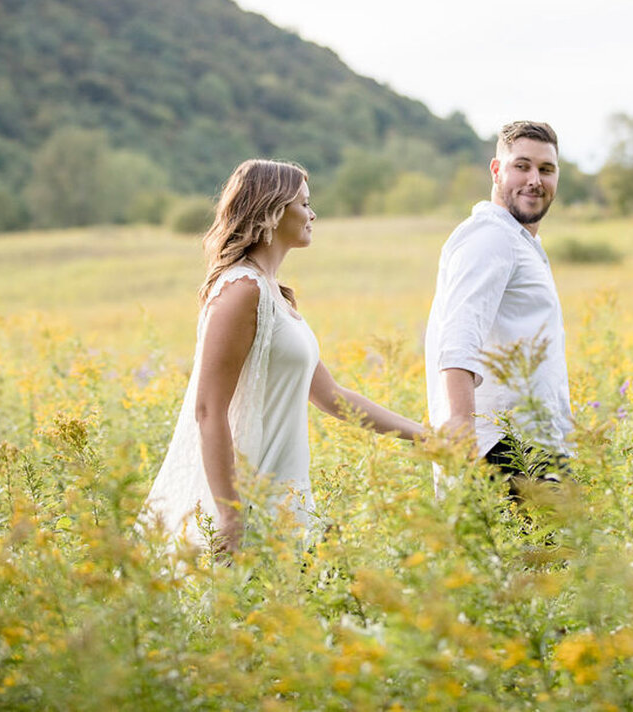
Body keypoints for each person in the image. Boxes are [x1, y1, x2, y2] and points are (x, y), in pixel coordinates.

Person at [143, 159, 422, 555]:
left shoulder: (274, 294)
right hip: (248, 496)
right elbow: (208, 408)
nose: (313, 214)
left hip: (285, 497)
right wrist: (230, 514)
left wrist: (423, 436)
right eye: (303, 204)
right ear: (272, 210)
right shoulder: (242, 290)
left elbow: (332, 397)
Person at [424, 121, 573, 498]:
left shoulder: (518, 241)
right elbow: (459, 331)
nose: (534, 179)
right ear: (496, 170)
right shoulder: (491, 236)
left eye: (546, 169)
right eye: (521, 166)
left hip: (531, 445)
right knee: (540, 555)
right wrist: (460, 423)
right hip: (503, 449)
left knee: (556, 554)